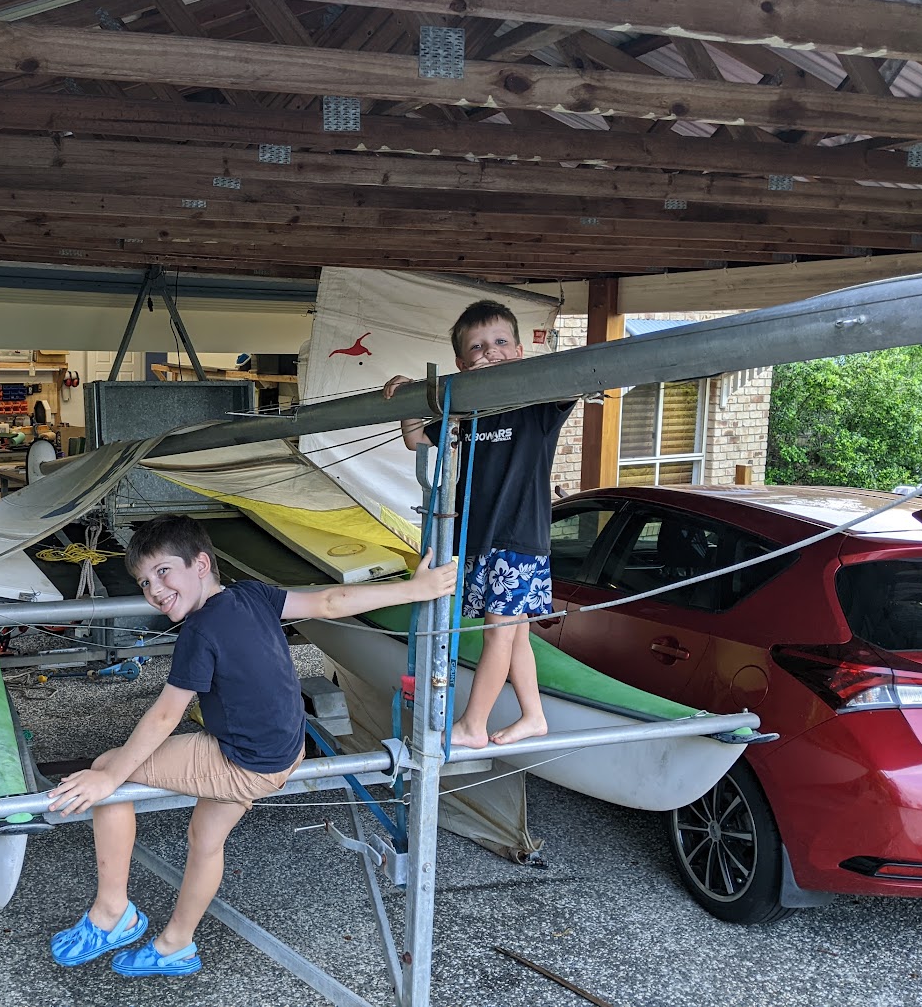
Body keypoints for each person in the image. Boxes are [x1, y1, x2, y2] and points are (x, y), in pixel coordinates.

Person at [45, 513, 456, 978]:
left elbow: (165, 714)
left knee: (108, 766)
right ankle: (175, 944)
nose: (154, 590)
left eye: (163, 572)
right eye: (144, 582)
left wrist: (109, 777)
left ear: (200, 564)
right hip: (284, 748)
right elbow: (329, 600)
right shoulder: (253, 594)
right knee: (205, 837)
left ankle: (111, 912)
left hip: (242, 762)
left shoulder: (199, 631)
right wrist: (413, 589)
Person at [383, 300, 575, 750]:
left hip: (518, 538)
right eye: (478, 347)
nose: (491, 352)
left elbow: (576, 379)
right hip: (483, 539)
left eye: (501, 342)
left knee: (498, 632)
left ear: (520, 350)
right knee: (515, 632)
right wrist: (410, 396)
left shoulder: (537, 408)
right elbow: (415, 437)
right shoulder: (466, 411)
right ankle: (533, 715)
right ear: (461, 363)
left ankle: (473, 725)